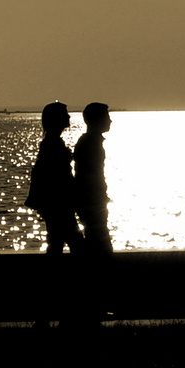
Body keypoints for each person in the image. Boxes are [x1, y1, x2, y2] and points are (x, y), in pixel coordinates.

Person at [25, 101, 81, 255]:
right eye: (65, 114)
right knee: (74, 242)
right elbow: (56, 175)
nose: (69, 116)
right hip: (57, 202)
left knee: (56, 241)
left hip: (54, 203)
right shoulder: (52, 143)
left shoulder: (52, 142)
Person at [73, 102, 113, 256]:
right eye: (107, 117)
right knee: (99, 243)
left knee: (96, 239)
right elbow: (88, 175)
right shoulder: (90, 143)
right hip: (91, 201)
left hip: (92, 200)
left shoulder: (91, 142)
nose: (110, 121)